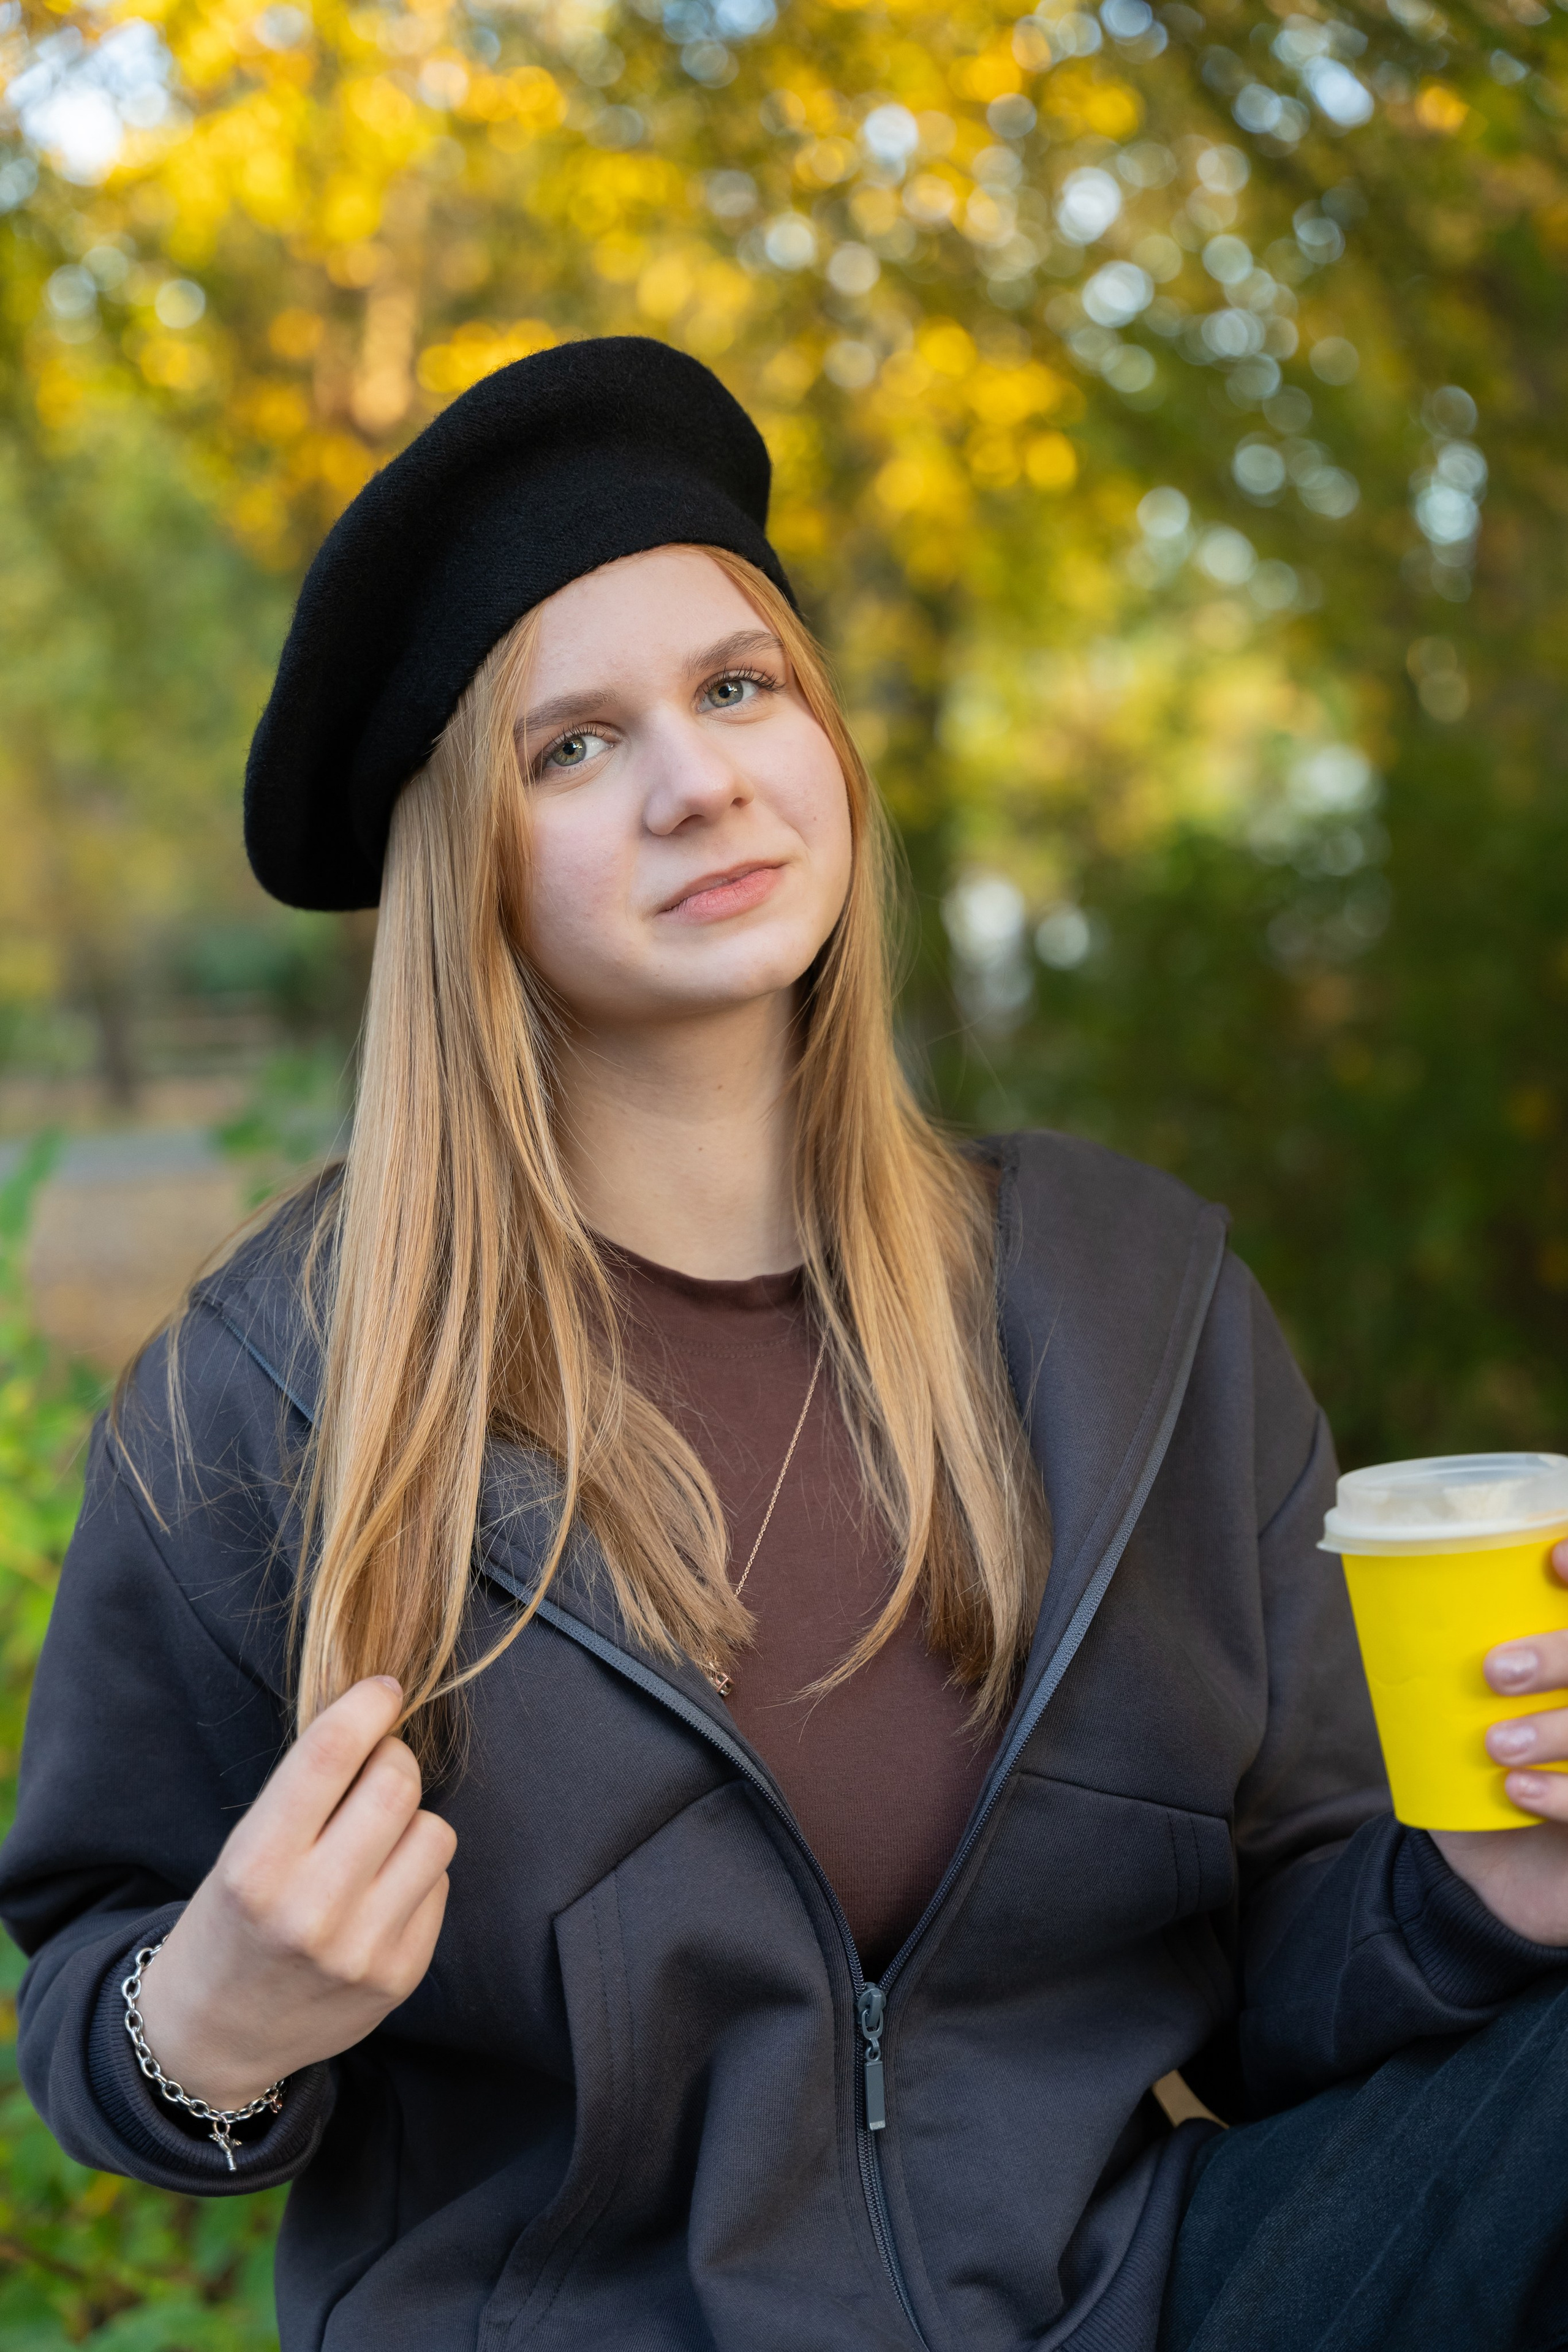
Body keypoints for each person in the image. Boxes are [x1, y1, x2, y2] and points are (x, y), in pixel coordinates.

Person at [2, 337, 1567, 2352]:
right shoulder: (277, 1398)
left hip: (1149, 2298)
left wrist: (1505, 1884)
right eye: (576, 746)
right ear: (469, 862)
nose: (699, 781)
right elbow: (93, 1988)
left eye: (740, 688)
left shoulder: (1134, 1309)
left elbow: (1293, 1963)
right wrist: (205, 2021)